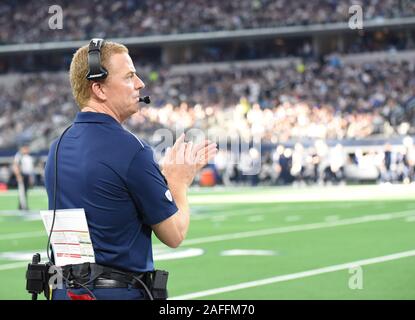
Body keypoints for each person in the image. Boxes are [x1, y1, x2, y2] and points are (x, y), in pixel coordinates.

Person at [44, 39, 217, 300]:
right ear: (99, 89)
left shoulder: (57, 147)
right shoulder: (132, 150)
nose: (140, 84)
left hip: (64, 292)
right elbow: (174, 234)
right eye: (129, 76)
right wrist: (178, 182)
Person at [13, 144, 34, 210]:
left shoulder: (28, 157)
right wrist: (18, 175)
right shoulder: (19, 156)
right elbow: (16, 166)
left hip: (27, 175)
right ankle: (23, 206)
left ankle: (21, 205)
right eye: (26, 149)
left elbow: (29, 169)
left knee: (25, 191)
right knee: (22, 191)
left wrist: (30, 177)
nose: (27, 150)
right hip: (22, 175)